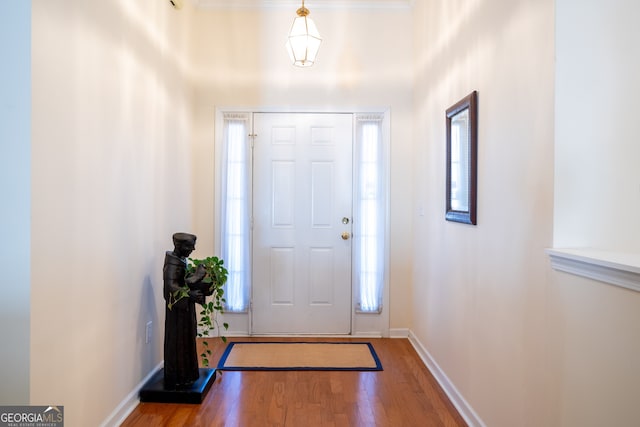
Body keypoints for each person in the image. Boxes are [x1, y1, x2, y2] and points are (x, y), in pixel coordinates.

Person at [163, 232, 207, 389]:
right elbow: (170, 288)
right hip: (177, 315)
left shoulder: (181, 260)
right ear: (178, 246)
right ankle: (180, 376)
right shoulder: (172, 263)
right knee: (179, 343)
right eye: (190, 246)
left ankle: (188, 374)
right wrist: (195, 280)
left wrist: (200, 282)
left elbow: (183, 282)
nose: (193, 249)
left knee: (187, 341)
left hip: (185, 312)